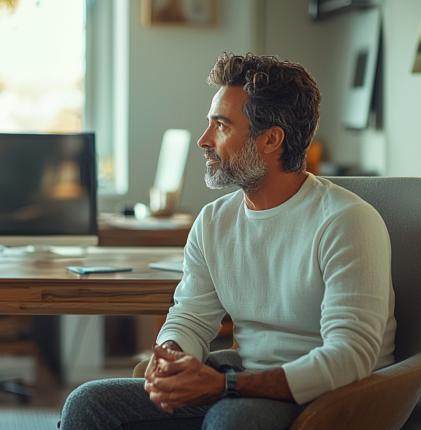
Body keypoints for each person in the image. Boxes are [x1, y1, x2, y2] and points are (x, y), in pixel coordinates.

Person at [60, 52, 396, 429]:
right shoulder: (214, 221)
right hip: (240, 383)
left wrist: (225, 385)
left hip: (332, 400)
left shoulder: (346, 221)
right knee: (87, 404)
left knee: (229, 419)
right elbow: (190, 315)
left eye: (220, 126)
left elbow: (350, 356)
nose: (204, 140)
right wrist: (172, 355)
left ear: (271, 139)